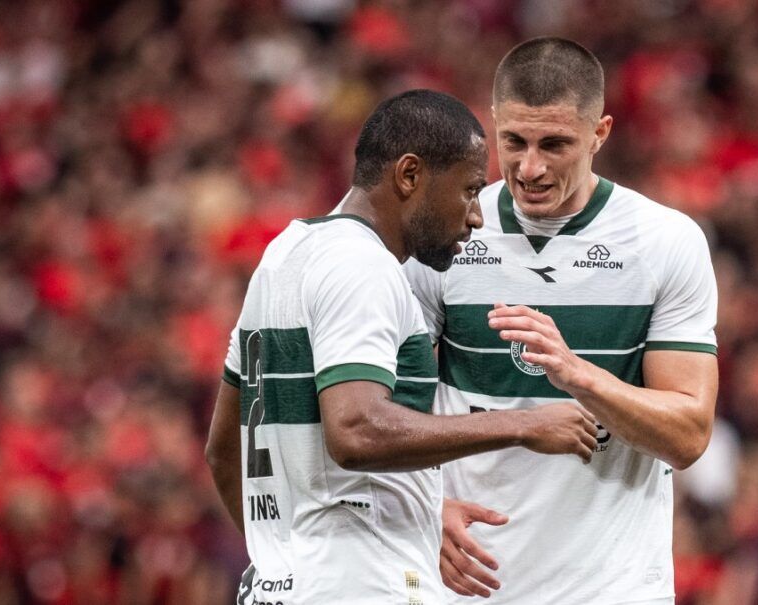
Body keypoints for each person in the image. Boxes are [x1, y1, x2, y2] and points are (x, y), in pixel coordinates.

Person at [204, 89, 600, 605]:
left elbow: (221, 450)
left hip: (281, 588)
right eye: (469, 190)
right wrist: (525, 425)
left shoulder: (284, 255)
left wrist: (286, 554)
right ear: (410, 175)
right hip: (362, 587)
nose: (477, 216)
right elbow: (356, 430)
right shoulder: (363, 267)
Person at [404, 38, 719, 604]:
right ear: (493, 122)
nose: (530, 167)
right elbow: (383, 413)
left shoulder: (665, 243)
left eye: (555, 144)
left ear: (600, 133)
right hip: (469, 583)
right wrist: (424, 505)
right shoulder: (444, 236)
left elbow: (688, 435)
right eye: (514, 142)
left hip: (611, 587)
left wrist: (578, 375)